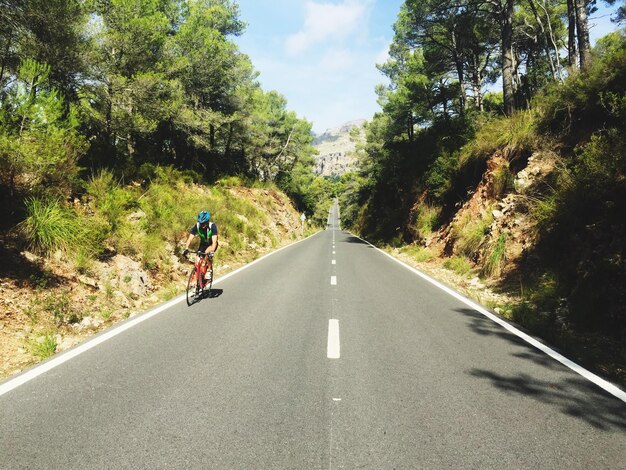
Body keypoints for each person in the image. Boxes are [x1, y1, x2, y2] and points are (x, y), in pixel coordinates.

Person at [182, 210, 218, 283]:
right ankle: (197, 281)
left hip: (211, 244)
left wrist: (211, 252)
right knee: (197, 260)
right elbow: (190, 239)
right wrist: (186, 248)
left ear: (208, 221)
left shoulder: (212, 226)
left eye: (204, 223)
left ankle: (209, 270)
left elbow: (214, 242)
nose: (202, 225)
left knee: (207, 255)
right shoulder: (197, 226)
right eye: (201, 223)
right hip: (203, 244)